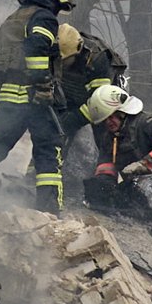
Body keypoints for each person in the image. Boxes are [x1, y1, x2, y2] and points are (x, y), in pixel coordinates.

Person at [0, 0, 75, 213]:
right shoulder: (44, 17)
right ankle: (49, 213)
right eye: (61, 5)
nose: (59, 11)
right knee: (47, 150)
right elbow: (36, 48)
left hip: (9, 95)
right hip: (34, 97)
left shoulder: (15, 17)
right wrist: (43, 84)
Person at [83, 85, 152, 215]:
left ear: (122, 112)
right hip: (140, 194)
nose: (108, 122)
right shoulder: (110, 139)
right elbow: (106, 165)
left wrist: (144, 164)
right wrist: (103, 185)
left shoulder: (149, 123)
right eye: (104, 120)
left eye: (111, 117)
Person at [51, 24, 123, 198]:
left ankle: (105, 186)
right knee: (55, 132)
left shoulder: (97, 59)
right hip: (71, 96)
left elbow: (100, 102)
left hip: (103, 101)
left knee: (104, 137)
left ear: (77, 51)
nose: (61, 64)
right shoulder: (56, 51)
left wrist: (74, 119)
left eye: (65, 60)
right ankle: (45, 176)